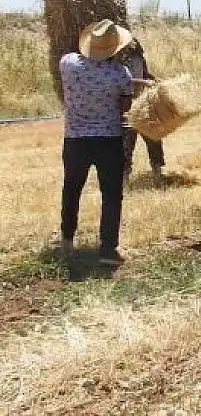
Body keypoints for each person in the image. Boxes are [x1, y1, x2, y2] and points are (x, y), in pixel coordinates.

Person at [58, 19, 135, 266]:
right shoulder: (120, 74)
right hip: (108, 140)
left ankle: (67, 241)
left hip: (75, 139)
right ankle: (108, 250)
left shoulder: (68, 64)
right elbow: (125, 107)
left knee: (72, 189)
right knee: (111, 194)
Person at [116, 39, 165, 181]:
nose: (133, 44)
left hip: (141, 102)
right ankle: (124, 176)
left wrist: (155, 79)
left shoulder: (139, 58)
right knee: (127, 142)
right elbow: (121, 80)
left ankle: (157, 171)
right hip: (126, 104)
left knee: (154, 136)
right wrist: (144, 82)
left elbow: (145, 74)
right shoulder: (118, 60)